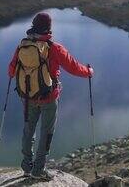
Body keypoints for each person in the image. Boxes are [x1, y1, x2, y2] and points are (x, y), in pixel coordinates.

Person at [8, 12, 93, 180]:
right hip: (49, 97)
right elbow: (74, 67)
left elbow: (11, 71)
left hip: (28, 96)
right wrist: (89, 71)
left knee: (28, 130)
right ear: (49, 27)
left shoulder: (22, 46)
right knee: (46, 133)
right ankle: (38, 170)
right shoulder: (54, 48)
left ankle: (27, 166)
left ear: (33, 25)